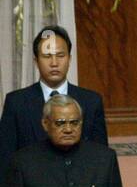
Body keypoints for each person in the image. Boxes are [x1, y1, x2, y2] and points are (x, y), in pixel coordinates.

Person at [0, 25, 108, 176]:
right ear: (36, 61)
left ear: (69, 59)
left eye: (60, 55)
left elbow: (102, 157)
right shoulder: (16, 102)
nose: (54, 63)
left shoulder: (91, 101)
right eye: (47, 56)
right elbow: (6, 157)